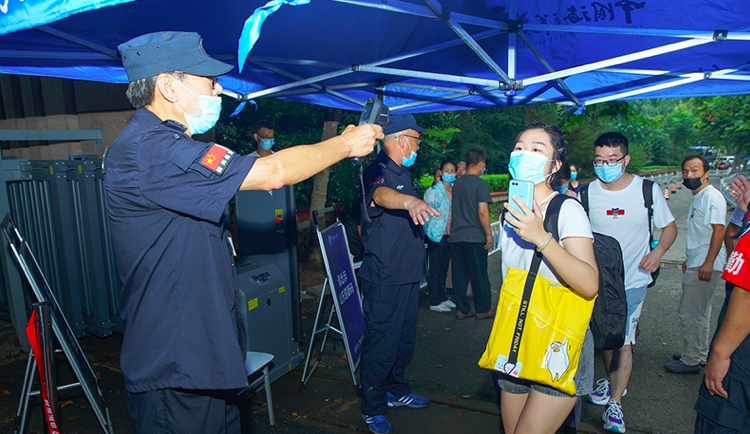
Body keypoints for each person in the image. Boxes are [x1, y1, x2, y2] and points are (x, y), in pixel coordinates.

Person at [105, 31, 382, 433]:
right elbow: (272, 171)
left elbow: (253, 176)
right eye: (207, 79)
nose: (219, 88)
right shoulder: (152, 149)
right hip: (176, 365)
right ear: (168, 85)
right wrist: (345, 143)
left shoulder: (165, 144)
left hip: (205, 358)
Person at [498, 122, 599, 434]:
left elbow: (589, 283)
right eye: (519, 147)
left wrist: (542, 238)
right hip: (514, 335)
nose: (523, 154)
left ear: (554, 166)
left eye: (536, 149)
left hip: (558, 339)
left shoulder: (567, 210)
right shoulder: (509, 211)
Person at [582, 132, 677, 434]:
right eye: (599, 160)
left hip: (634, 280)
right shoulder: (585, 193)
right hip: (598, 281)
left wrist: (658, 252)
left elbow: (670, 227)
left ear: (626, 159)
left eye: (612, 160)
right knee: (607, 338)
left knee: (623, 341)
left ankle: (614, 404)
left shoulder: (647, 190)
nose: (605, 165)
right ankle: (611, 382)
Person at [358, 114, 438, 434]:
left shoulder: (403, 171)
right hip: (384, 277)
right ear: (402, 139)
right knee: (381, 344)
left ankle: (395, 389)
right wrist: (408, 201)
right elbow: (380, 196)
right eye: (416, 139)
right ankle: (372, 407)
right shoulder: (376, 170)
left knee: (403, 341)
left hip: (407, 274)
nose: (418, 145)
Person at [694, 174, 750, 434]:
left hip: (740, 355)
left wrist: (719, 353)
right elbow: (734, 248)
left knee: (723, 416)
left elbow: (746, 292)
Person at [665, 155, 726, 374]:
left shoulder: (711, 196)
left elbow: (719, 229)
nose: (689, 176)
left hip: (706, 263)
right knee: (701, 312)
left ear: (706, 173)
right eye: (685, 172)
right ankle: (698, 354)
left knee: (689, 312)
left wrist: (707, 262)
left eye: (694, 171)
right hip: (699, 261)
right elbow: (704, 233)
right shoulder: (700, 196)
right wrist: (689, 260)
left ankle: (690, 360)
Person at [449, 149, 494, 320]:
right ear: (481, 164)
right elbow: (483, 211)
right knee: (479, 274)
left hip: (456, 236)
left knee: (459, 275)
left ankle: (463, 309)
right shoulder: (480, 184)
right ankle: (483, 309)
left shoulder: (457, 184)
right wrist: (488, 234)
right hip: (474, 236)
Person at [423, 160, 458, 312]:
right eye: (446, 170)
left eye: (452, 171)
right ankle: (434, 301)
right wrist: (429, 232)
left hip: (450, 234)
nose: (449, 173)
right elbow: (425, 215)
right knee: (435, 268)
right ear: (441, 172)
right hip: (436, 235)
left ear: (456, 173)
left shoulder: (456, 191)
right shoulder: (433, 192)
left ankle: (443, 297)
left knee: (444, 267)